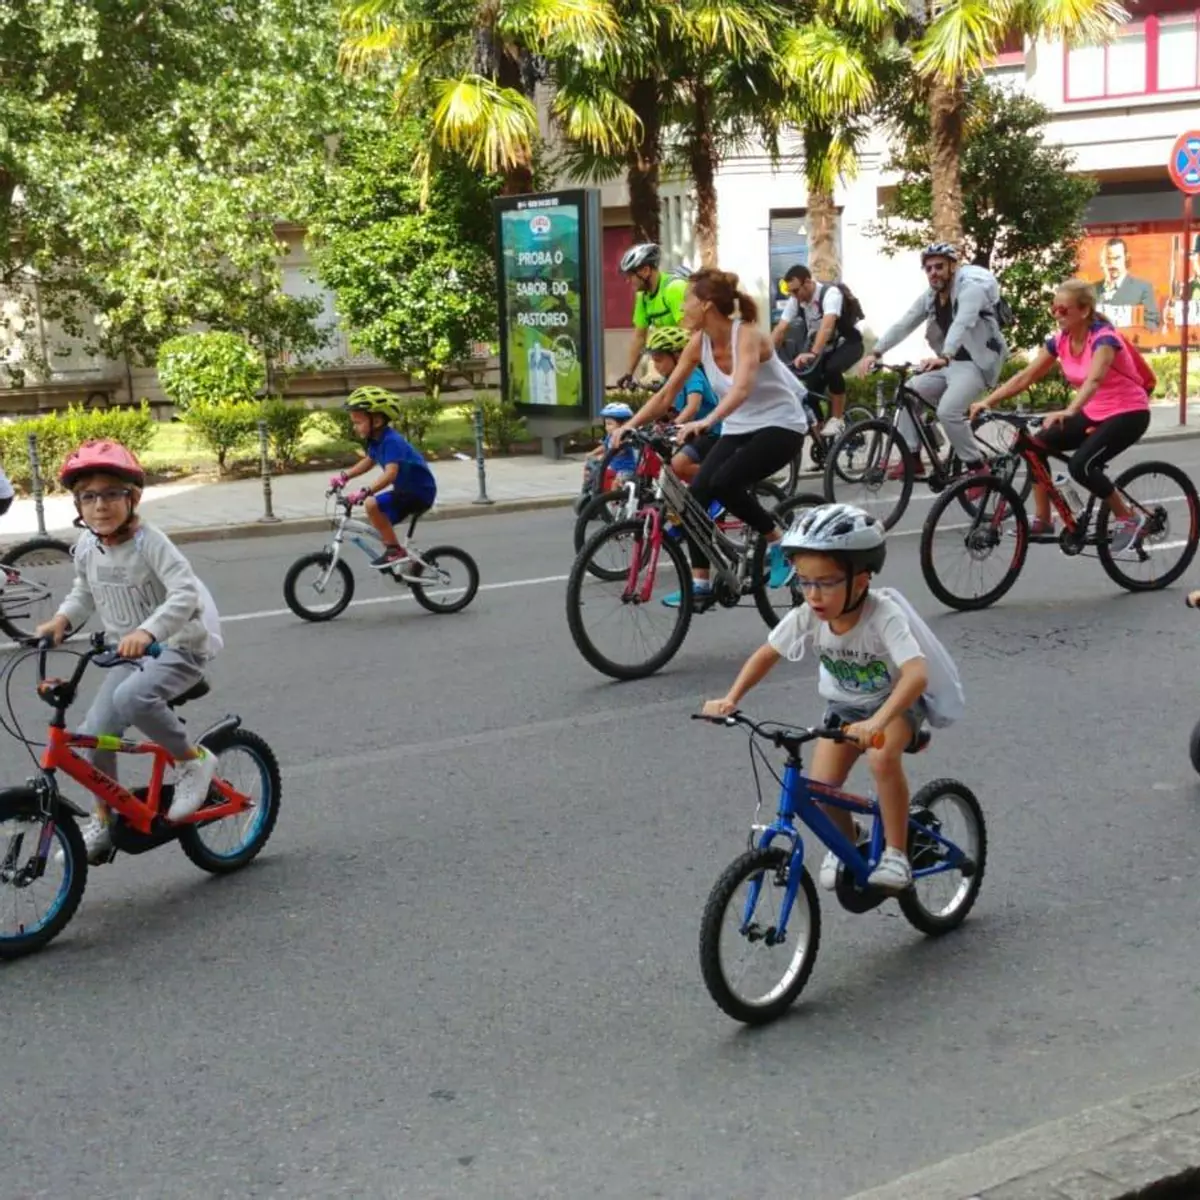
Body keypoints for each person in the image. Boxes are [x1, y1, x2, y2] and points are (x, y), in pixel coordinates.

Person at [702, 504, 927, 892]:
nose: (813, 594)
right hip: (844, 709)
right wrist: (730, 698)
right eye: (805, 582)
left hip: (892, 705)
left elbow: (917, 674)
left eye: (825, 583)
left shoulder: (883, 615)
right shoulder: (809, 613)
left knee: (881, 758)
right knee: (821, 790)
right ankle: (850, 840)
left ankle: (896, 853)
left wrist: (877, 722)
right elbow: (767, 653)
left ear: (860, 581)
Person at [35, 440, 218, 864]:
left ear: (132, 497)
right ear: (78, 504)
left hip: (179, 647)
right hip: (131, 654)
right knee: (92, 736)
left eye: (112, 494)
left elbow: (185, 593)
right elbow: (84, 591)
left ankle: (192, 761)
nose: (100, 505)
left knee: (132, 697)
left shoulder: (151, 542)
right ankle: (105, 817)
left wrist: (147, 630)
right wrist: (62, 620)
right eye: (88, 496)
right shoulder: (87, 546)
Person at [627, 268, 809, 608]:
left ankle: (778, 542)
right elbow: (666, 396)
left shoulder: (748, 336)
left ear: (707, 304)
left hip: (781, 425)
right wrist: (628, 426)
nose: (682, 308)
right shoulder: (699, 342)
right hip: (739, 427)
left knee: (725, 483)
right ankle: (700, 584)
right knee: (694, 499)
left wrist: (706, 421)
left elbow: (741, 389)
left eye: (687, 301)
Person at [970, 279, 1150, 551]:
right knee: (1036, 445)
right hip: (1093, 411)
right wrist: (987, 402)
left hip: (1128, 412)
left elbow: (1094, 380)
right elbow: (1026, 376)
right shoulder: (1060, 341)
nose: (1057, 315)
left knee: (1081, 466)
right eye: (1053, 309)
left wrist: (1069, 410)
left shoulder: (1104, 339)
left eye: (1063, 310)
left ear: (1084, 310)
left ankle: (1128, 518)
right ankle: (1044, 519)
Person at [862, 242, 1008, 480]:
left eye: (939, 266)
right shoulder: (931, 297)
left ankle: (978, 469)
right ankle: (912, 457)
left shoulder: (971, 290)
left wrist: (945, 355)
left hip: (976, 364)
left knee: (948, 412)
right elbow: (905, 323)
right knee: (908, 393)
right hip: (949, 364)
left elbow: (962, 322)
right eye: (928, 269)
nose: (933, 273)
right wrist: (876, 352)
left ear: (953, 267)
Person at [330, 386, 438, 574]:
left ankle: (395, 552)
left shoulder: (392, 441)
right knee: (379, 522)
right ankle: (401, 557)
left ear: (377, 420)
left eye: (358, 422)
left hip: (419, 492)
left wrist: (365, 491)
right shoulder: (377, 440)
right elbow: (369, 461)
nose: (354, 427)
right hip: (405, 491)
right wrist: (344, 477)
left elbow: (390, 474)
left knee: (371, 504)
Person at [617, 325, 721, 484]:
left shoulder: (692, 374)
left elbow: (693, 407)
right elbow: (663, 406)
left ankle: (722, 480)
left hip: (711, 432)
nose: (656, 366)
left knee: (679, 464)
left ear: (678, 356)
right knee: (667, 464)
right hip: (691, 432)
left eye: (659, 360)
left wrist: (673, 425)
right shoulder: (669, 379)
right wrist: (647, 425)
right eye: (653, 361)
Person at [771, 264, 865, 437]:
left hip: (849, 344)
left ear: (807, 282)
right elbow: (781, 328)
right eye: (790, 292)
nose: (794, 296)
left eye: (796, 291)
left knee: (832, 368)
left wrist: (813, 353)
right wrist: (766, 357)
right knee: (809, 393)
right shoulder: (796, 300)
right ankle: (822, 439)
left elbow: (827, 325)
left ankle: (838, 419)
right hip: (825, 349)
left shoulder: (830, 294)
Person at [616, 242, 687, 388]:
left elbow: (689, 334)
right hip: (672, 362)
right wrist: (629, 373)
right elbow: (639, 337)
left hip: (691, 360)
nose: (628, 281)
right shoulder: (643, 297)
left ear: (646, 270)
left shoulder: (674, 289)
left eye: (631, 275)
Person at [578, 401, 637, 510]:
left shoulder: (625, 438)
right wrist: (592, 453)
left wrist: (606, 456)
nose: (606, 427)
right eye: (606, 424)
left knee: (616, 484)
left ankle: (615, 507)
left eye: (610, 424)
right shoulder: (610, 436)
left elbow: (619, 451)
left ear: (623, 425)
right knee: (595, 474)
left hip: (625, 469)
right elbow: (604, 447)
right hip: (612, 467)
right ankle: (595, 494)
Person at [1093, 237, 1160, 330]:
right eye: (1108, 258)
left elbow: (1152, 323)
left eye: (1117, 258)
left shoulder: (1142, 289)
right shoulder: (1091, 290)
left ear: (1126, 258)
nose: (1112, 264)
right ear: (1102, 261)